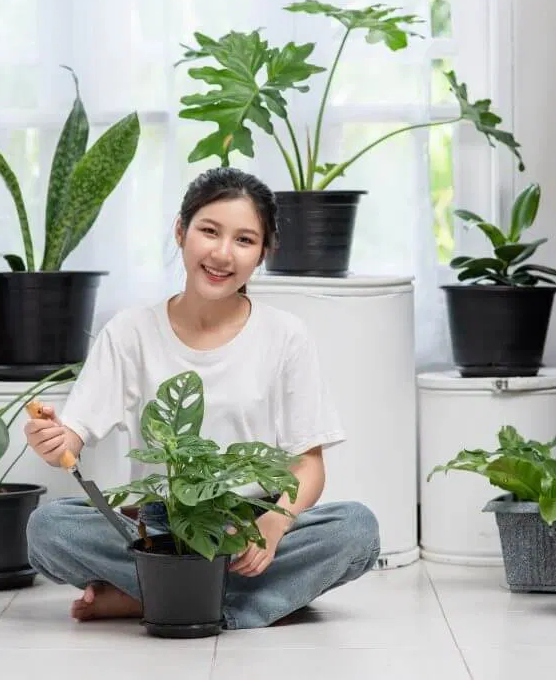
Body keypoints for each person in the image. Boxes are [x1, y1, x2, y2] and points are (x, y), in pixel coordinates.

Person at [24, 166, 380, 630]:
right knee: (48, 528)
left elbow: (309, 466)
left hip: (250, 527)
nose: (222, 254)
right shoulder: (130, 331)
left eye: (244, 240)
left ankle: (155, 596)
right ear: (181, 231)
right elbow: (72, 438)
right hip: (160, 527)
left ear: (264, 252)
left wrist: (276, 524)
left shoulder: (285, 335)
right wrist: (53, 438)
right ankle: (230, 601)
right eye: (209, 231)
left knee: (357, 529)